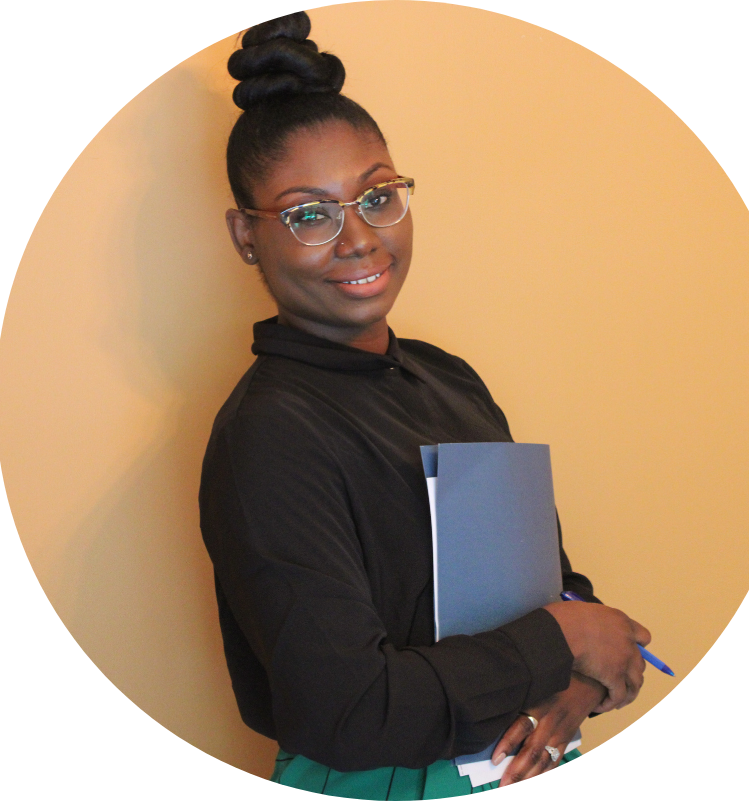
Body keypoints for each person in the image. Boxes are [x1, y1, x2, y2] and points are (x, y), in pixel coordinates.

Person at [199, 12, 650, 798]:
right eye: (310, 214)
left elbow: (551, 587)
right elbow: (350, 709)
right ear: (246, 235)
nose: (360, 239)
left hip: (521, 760)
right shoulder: (269, 433)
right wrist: (568, 635)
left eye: (377, 197)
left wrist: (578, 683)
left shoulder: (450, 378)